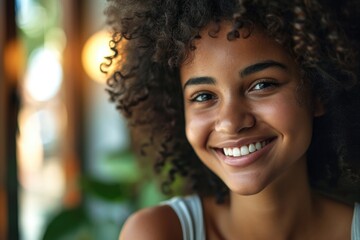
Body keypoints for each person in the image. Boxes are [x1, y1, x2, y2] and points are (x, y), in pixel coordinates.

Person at [102, 0, 360, 239]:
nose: (230, 122)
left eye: (262, 85)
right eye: (203, 96)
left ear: (319, 92)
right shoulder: (158, 233)